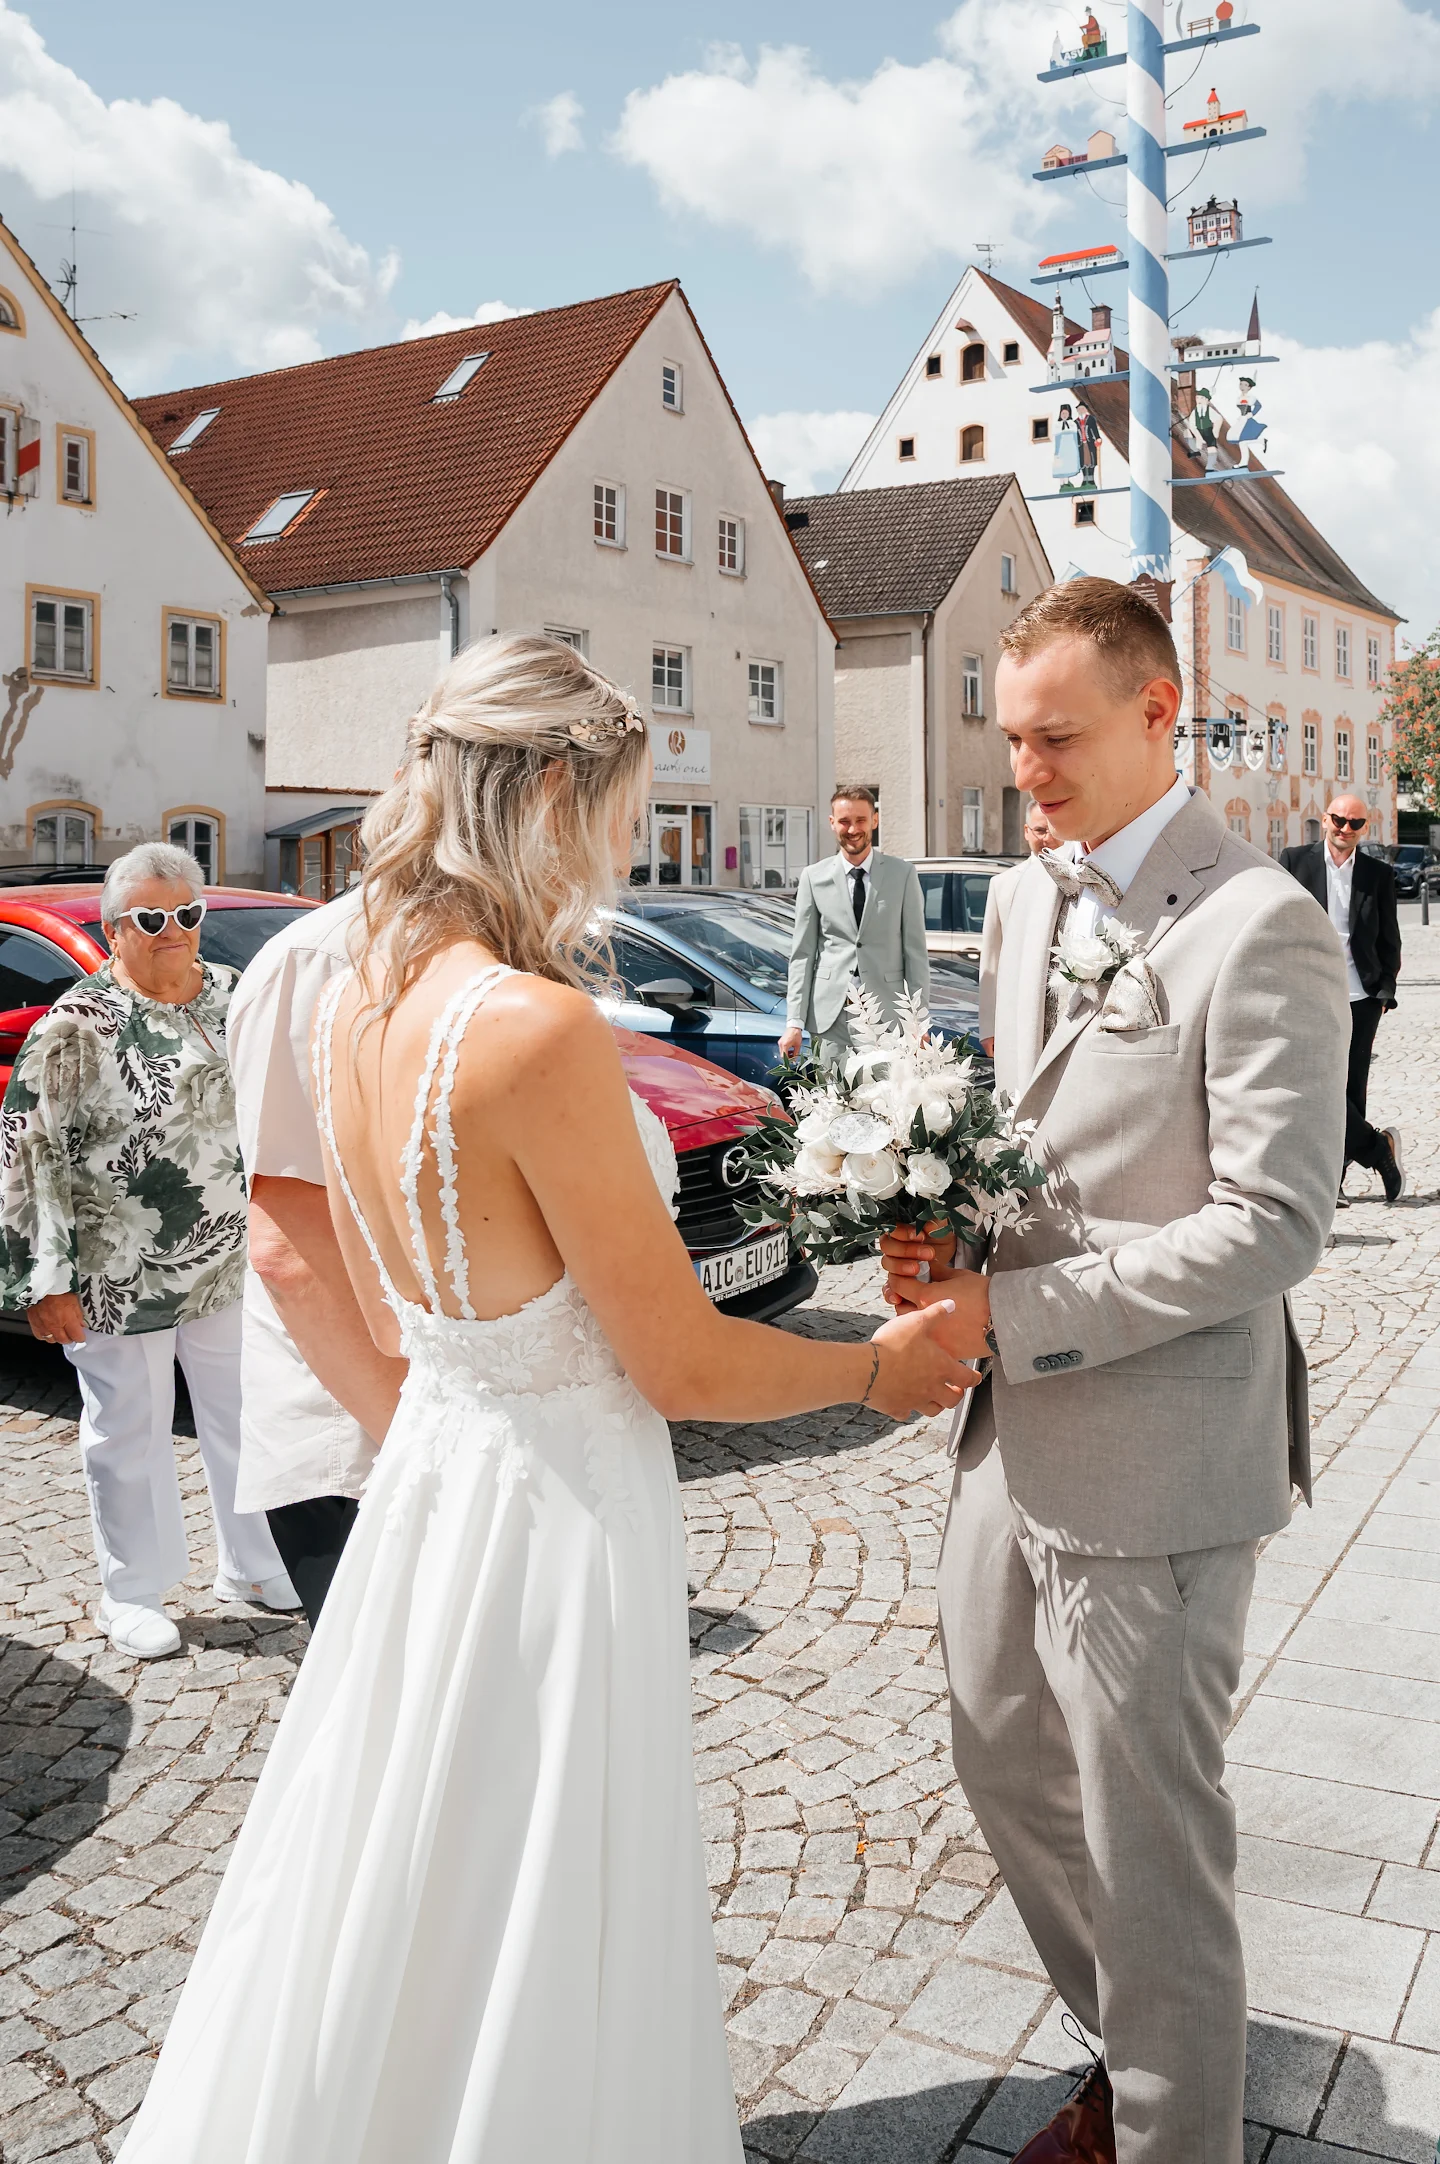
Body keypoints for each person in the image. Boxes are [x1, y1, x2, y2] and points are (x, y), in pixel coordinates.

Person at [116, 634, 978, 2163]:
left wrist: (450, 1417)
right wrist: (877, 1371)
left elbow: (361, 1269)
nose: (624, 857)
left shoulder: (353, 1005)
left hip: (440, 1478)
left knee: (412, 1870)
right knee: (545, 1883)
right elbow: (682, 1361)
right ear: (555, 798)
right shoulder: (532, 1027)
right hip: (559, 1512)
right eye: (624, 818)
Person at [882, 578, 1347, 2164]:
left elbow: (1274, 1226)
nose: (1028, 774)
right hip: (1010, 1434)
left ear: (1160, 713)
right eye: (1012, 741)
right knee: (998, 1754)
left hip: (1161, 1453)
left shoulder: (1261, 921)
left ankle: (1168, 2129)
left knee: (1153, 1840)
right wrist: (934, 1225)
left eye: (1058, 739)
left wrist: (1013, 1315)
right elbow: (1026, 1140)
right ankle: (1132, 2049)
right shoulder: (1025, 900)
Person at [0, 843, 297, 1659]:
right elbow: (29, 1152)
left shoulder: (233, 996)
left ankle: (253, 1564)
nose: (174, 930)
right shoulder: (78, 1023)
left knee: (241, 1412)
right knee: (128, 1427)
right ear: (116, 929)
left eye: (187, 913)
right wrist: (45, 1278)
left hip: (227, 1257)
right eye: (152, 917)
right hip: (115, 1268)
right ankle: (130, 1592)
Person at [226, 887, 399, 1626]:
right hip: (350, 1427)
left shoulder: (513, 946)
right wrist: (427, 1442)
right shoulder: (317, 960)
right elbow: (289, 1246)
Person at [1281, 797, 1403, 1203]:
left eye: (1355, 823)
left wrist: (1384, 991)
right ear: (1326, 819)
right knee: (1311, 1083)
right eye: (1338, 820)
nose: (1345, 828)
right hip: (1307, 991)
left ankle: (1333, 1180)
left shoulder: (1377, 874)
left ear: (1363, 828)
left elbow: (1389, 937)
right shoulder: (1294, 861)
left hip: (1361, 995)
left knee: (1352, 1087)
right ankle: (1377, 1149)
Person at [779, 783, 929, 1067]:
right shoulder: (813, 877)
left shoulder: (902, 874)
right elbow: (802, 955)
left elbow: (916, 954)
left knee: (887, 1094)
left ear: (875, 820)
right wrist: (794, 1022)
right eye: (844, 821)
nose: (852, 829)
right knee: (831, 1093)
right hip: (830, 1018)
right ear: (832, 823)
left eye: (861, 820)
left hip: (889, 1015)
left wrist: (918, 1021)